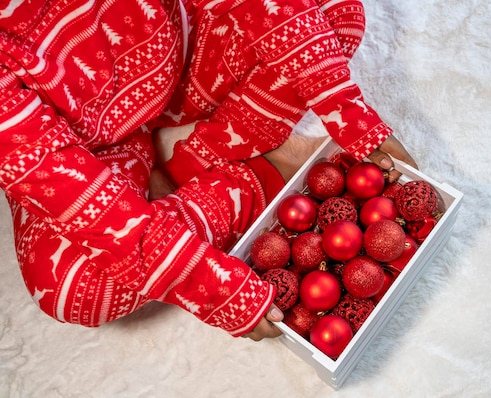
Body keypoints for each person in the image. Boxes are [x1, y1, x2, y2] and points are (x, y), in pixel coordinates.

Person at [0, 0, 417, 341]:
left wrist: (345, 109)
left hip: (183, 55)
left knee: (336, 11)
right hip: (82, 149)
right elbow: (56, 180)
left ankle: (201, 160)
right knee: (74, 290)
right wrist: (214, 288)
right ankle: (256, 177)